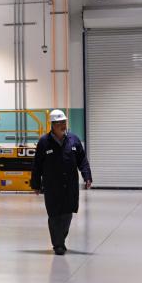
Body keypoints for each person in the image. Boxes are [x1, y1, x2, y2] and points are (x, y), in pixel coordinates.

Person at [30, 109, 92, 255]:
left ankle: (60, 240)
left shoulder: (74, 140)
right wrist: (35, 184)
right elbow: (37, 165)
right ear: (52, 125)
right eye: (59, 123)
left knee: (67, 214)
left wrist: (87, 176)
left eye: (64, 122)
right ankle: (58, 244)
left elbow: (82, 160)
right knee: (54, 215)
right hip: (52, 186)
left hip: (69, 185)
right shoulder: (44, 142)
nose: (63, 125)